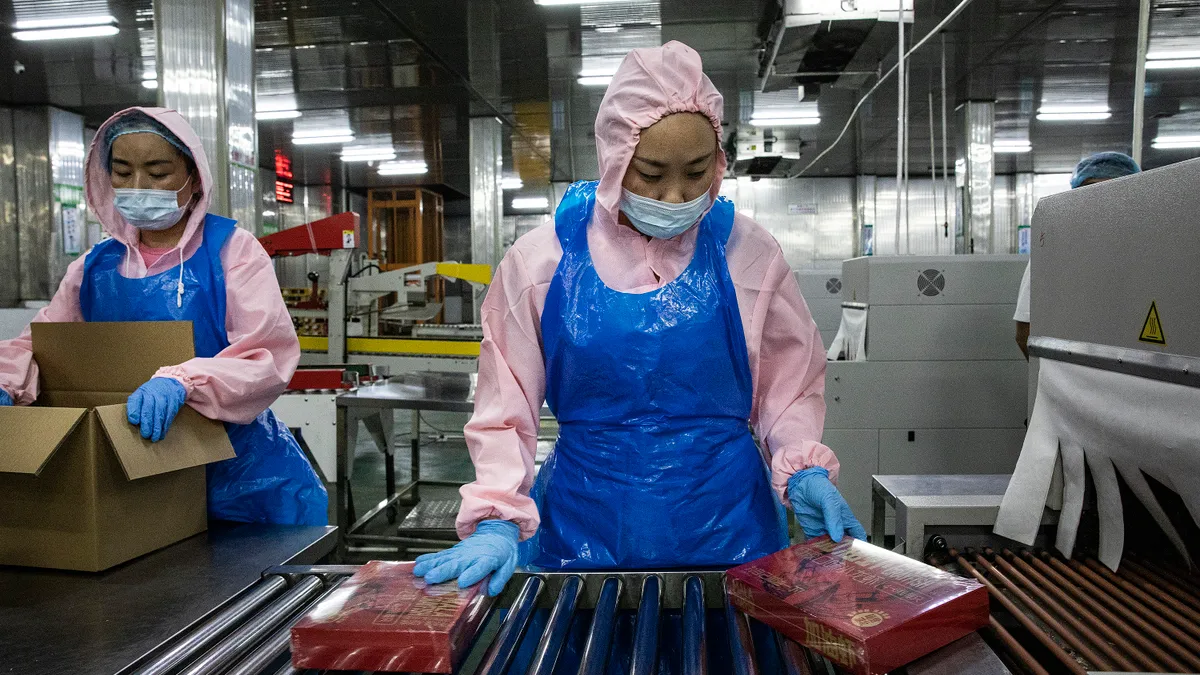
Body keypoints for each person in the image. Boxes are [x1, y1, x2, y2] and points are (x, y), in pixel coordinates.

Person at [413, 42, 864, 597]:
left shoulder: (749, 253)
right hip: (584, 527)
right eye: (650, 174)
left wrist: (804, 469)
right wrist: (498, 516)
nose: (675, 196)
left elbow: (788, 386)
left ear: (720, 162)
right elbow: (506, 406)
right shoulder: (543, 260)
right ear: (614, 157)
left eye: (697, 173)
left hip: (730, 527)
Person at [0, 107, 327, 526]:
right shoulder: (93, 268)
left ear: (193, 177)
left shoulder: (232, 251)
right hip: (140, 471)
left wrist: (182, 381)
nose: (138, 186)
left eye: (157, 173)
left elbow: (267, 356)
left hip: (242, 478)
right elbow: (41, 343)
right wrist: (8, 383)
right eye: (121, 171)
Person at [1014, 151, 1141, 358]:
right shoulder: (1052, 251)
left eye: (1114, 192)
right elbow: (1025, 332)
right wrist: (1059, 379)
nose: (1101, 204)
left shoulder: (1151, 251)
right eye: (1091, 193)